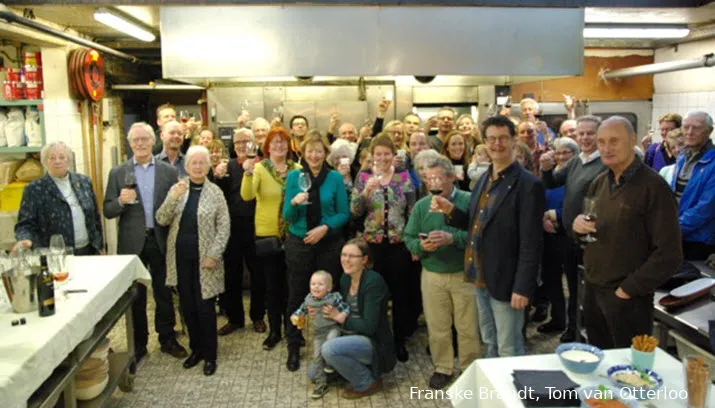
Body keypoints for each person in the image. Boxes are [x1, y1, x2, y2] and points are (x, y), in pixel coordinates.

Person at [432, 115, 544, 357]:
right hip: (479, 274)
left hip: (507, 280)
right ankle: (493, 392)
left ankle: (514, 393)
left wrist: (523, 287)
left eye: (503, 138)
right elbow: (477, 224)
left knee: (509, 347)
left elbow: (531, 243)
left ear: (514, 140)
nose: (497, 144)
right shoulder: (484, 177)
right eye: (491, 139)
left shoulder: (528, 184)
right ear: (484, 141)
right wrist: (451, 210)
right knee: (490, 341)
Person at [573, 116, 683, 349]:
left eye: (614, 141)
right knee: (599, 366)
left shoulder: (653, 187)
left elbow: (669, 254)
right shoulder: (600, 182)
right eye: (601, 142)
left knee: (628, 375)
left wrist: (627, 290)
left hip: (627, 300)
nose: (606, 148)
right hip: (594, 291)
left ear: (632, 140)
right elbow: (590, 235)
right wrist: (578, 227)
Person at [104, 122, 187, 363]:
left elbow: (175, 207)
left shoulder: (167, 171)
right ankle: (139, 344)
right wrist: (120, 201)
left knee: (163, 292)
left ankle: (167, 339)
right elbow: (108, 210)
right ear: (130, 144)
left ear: (153, 141)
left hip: (159, 239)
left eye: (144, 139)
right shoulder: (118, 173)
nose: (140, 144)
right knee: (136, 296)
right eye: (135, 140)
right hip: (132, 244)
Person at [404, 156, 479, 390]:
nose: (432, 183)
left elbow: (480, 236)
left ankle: (470, 368)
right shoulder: (421, 205)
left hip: (463, 273)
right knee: (437, 326)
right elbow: (409, 237)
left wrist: (452, 239)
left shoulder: (468, 200)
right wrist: (420, 247)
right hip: (432, 274)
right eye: (428, 179)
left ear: (451, 177)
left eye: (437, 177)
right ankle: (443, 367)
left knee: (467, 326)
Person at [156, 146, 230, 375]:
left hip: (205, 261)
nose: (198, 167)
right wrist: (172, 198)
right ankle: (195, 349)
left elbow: (224, 227)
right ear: (186, 167)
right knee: (187, 307)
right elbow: (161, 218)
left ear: (208, 166)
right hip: (180, 259)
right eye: (193, 163)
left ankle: (210, 355)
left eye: (202, 163)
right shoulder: (178, 189)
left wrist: (213, 255)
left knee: (205, 307)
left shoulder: (215, 192)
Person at [282, 130, 350, 371]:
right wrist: (293, 203)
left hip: (329, 243)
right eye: (309, 150)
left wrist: (325, 227)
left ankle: (331, 346)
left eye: (318, 151)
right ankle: (293, 344)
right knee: (297, 294)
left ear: (325, 153)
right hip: (300, 243)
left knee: (330, 294)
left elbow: (344, 213)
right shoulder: (293, 177)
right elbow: (287, 217)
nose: (314, 155)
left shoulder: (334, 179)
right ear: (303, 152)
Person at [539, 115, 607, 343]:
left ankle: (587, 334)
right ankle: (573, 329)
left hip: (592, 239)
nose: (585, 137)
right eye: (581, 133)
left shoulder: (604, 163)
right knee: (574, 289)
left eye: (590, 133)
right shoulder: (578, 160)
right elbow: (554, 181)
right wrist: (546, 169)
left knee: (588, 292)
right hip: (570, 236)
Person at [351, 134, 417, 362]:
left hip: (398, 245)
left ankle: (399, 340)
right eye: (377, 154)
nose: (382, 158)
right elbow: (355, 211)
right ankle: (377, 338)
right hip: (373, 246)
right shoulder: (363, 176)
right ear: (371, 155)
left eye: (386, 154)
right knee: (374, 294)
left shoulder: (403, 177)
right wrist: (366, 192)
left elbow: (412, 210)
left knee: (401, 294)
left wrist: (412, 241)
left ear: (393, 155)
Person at [308, 239, 396, 399]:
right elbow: (337, 305)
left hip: (373, 341)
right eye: (343, 255)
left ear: (364, 259)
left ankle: (368, 383)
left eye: (352, 256)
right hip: (348, 335)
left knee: (329, 350)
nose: (346, 260)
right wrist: (319, 309)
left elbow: (369, 326)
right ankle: (350, 368)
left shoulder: (373, 282)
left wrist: (339, 318)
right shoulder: (346, 278)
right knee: (313, 373)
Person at [241, 126, 302, 350]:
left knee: (293, 286)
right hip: (267, 235)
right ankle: (275, 330)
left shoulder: (297, 168)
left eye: (283, 142)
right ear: (267, 147)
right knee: (272, 287)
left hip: (293, 234)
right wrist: (247, 173)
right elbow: (247, 195)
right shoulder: (259, 168)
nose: (279, 146)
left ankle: (294, 329)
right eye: (274, 142)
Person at [214, 128, 265, 335]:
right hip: (232, 228)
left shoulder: (262, 166)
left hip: (256, 227)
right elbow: (220, 196)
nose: (242, 146)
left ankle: (258, 317)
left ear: (254, 144)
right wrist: (217, 175)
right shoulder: (227, 168)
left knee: (258, 274)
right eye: (238, 143)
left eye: (247, 141)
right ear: (233, 146)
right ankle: (235, 319)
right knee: (232, 275)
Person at [14, 142, 103, 256]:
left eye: (62, 157)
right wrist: (25, 239)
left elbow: (95, 217)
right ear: (45, 161)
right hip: (55, 255)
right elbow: (25, 224)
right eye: (52, 158)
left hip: (88, 250)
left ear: (69, 160)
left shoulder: (84, 182)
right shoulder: (34, 189)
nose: (57, 161)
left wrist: (99, 246)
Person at [537, 137, 579, 334]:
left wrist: (557, 217)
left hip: (569, 235)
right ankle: (558, 319)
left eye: (566, 153)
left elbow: (578, 204)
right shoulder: (549, 176)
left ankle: (573, 326)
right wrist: (544, 218)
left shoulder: (577, 176)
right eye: (558, 153)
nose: (562, 157)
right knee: (551, 280)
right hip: (548, 234)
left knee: (572, 284)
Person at [290, 270, 350, 399]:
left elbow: (346, 308)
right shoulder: (308, 299)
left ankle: (330, 363)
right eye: (313, 284)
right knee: (317, 358)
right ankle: (321, 384)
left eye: (320, 284)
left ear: (329, 288)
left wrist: (341, 314)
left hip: (333, 328)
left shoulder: (334, 298)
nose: (316, 287)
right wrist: (295, 316)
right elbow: (300, 311)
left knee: (330, 341)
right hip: (318, 333)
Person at [670, 111, 715, 260]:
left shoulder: (713, 163)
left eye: (696, 128)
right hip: (677, 235)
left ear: (709, 131)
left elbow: (706, 208)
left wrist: (673, 230)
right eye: (686, 127)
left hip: (699, 242)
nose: (689, 132)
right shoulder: (682, 157)